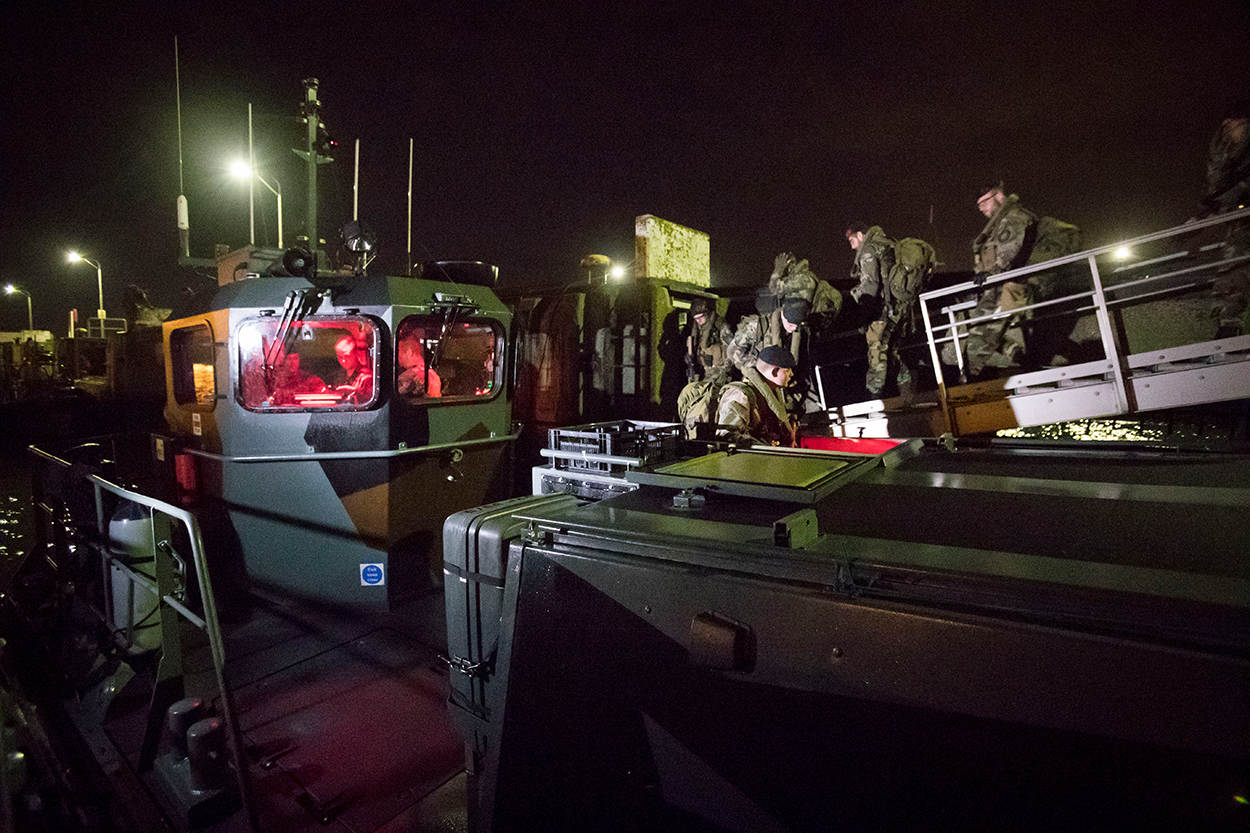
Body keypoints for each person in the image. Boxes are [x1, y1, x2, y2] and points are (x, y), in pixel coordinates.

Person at [964, 183, 1039, 377]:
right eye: (979, 205)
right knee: (982, 332)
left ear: (998, 196)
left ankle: (971, 381)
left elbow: (1009, 252)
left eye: (984, 202)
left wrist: (990, 273)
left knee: (979, 339)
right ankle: (1025, 360)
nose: (981, 209)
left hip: (1012, 287)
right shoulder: (998, 224)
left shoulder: (1013, 217)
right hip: (1002, 287)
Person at [1203, 98, 1250, 337]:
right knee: (1232, 269)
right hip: (1241, 222)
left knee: (1235, 267)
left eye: (1233, 125)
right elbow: (1218, 186)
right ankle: (1227, 326)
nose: (1229, 131)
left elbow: (1236, 189)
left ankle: (1228, 326)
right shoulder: (1231, 153)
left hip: (1244, 222)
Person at [715, 345, 798, 447]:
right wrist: (765, 448)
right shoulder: (740, 395)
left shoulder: (774, 393)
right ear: (775, 372)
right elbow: (728, 436)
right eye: (787, 370)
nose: (791, 374)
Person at [683, 297, 731, 382]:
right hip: (703, 368)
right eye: (696, 318)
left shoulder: (719, 324)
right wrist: (689, 357)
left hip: (719, 369)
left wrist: (725, 368)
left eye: (701, 317)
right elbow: (694, 345)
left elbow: (731, 346)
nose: (699, 320)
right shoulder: (696, 327)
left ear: (706, 313)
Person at [396, 327, 442, 398]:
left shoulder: (409, 377)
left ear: (409, 352)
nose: (398, 358)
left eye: (399, 352)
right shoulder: (433, 375)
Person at [333, 335, 374, 403]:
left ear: (356, 354)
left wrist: (355, 392)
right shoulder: (339, 375)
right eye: (340, 357)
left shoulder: (367, 377)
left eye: (347, 356)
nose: (343, 360)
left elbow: (371, 401)